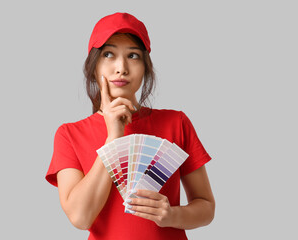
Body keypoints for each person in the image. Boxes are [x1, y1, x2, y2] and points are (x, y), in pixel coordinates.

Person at [45, 12, 215, 240]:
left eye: (133, 56)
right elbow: (80, 217)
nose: (121, 68)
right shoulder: (69, 134)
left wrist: (172, 216)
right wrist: (112, 138)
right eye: (108, 54)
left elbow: (206, 207)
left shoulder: (176, 123)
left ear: (145, 66)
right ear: (94, 66)